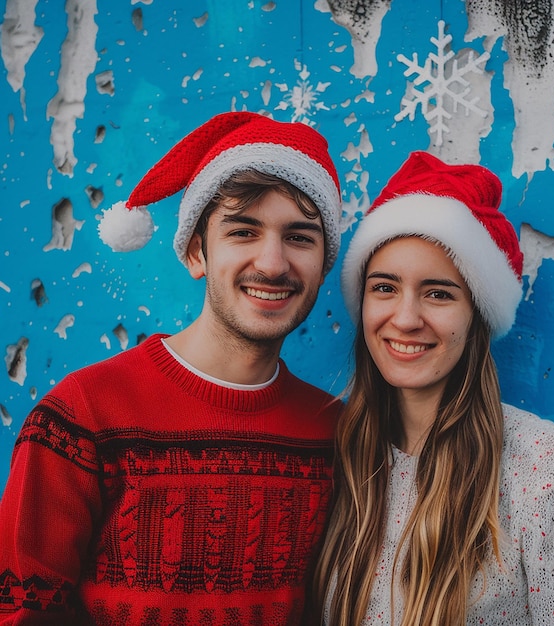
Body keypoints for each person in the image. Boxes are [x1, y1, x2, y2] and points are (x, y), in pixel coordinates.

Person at [0, 111, 344, 625]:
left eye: (299, 237)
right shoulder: (84, 416)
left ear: (324, 263)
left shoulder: (334, 431)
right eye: (244, 232)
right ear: (194, 253)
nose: (273, 263)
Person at [313, 151, 554, 625]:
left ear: (477, 316)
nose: (406, 319)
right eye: (385, 287)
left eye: (438, 293)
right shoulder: (339, 455)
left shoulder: (545, 470)